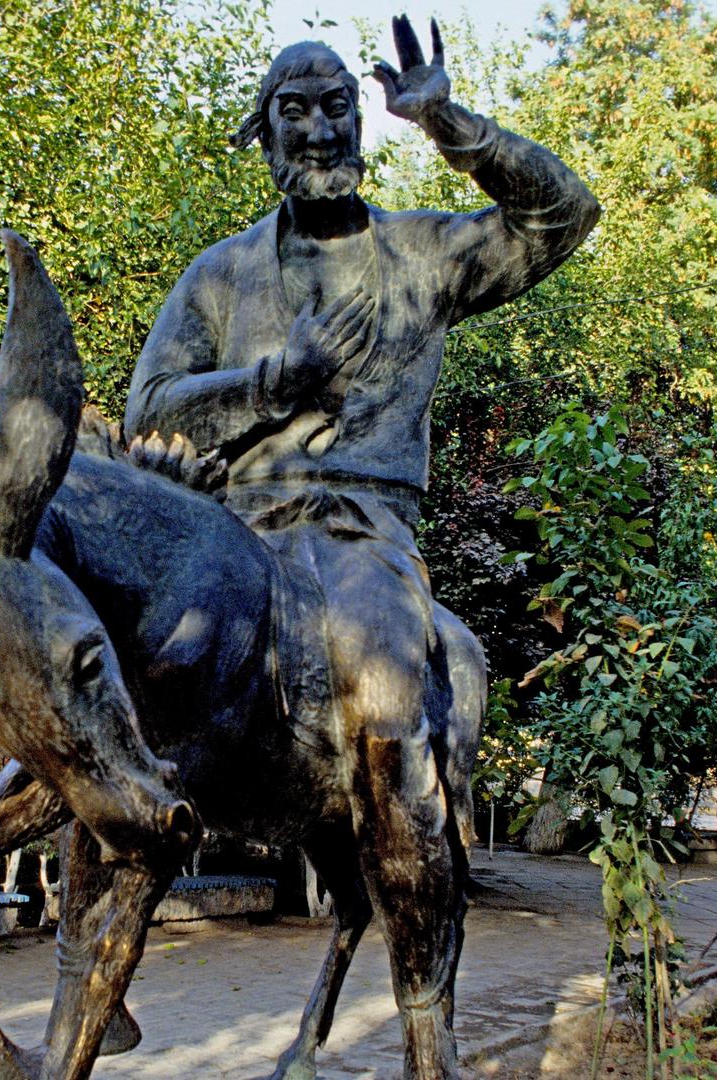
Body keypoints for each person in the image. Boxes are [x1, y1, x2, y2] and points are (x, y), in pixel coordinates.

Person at [121, 19, 598, 1052]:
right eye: (296, 113)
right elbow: (145, 409)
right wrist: (267, 382)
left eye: (337, 107)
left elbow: (566, 214)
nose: (321, 130)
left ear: (361, 119)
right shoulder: (219, 275)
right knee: (104, 695)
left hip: (362, 531)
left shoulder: (424, 252)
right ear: (266, 133)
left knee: (388, 717)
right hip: (232, 531)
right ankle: (87, 985)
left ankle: (429, 1030)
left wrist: (448, 121)